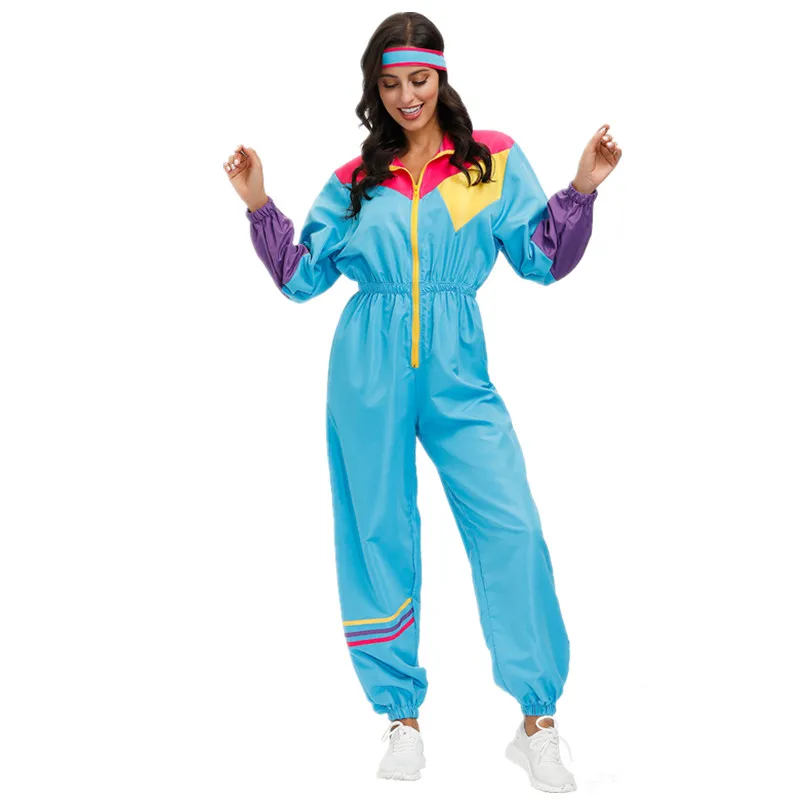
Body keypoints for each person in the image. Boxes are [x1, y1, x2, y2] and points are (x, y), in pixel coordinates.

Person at [223, 11, 621, 794]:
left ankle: (537, 720)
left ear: (441, 77)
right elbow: (301, 278)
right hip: (366, 362)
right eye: (391, 83)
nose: (407, 96)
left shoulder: (488, 162)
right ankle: (400, 717)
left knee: (511, 523)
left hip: (457, 362)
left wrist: (581, 188)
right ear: (374, 90)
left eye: (419, 79)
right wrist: (259, 204)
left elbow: (542, 260)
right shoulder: (355, 179)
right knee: (378, 528)